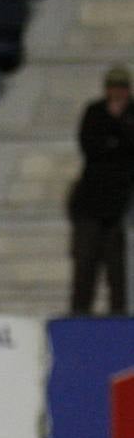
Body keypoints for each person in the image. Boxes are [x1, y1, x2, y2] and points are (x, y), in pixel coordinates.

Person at [67, 64, 134, 315]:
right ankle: (79, 317)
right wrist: (117, 137)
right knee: (84, 267)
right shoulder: (94, 112)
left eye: (122, 88)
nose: (117, 93)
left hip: (120, 206)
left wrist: (116, 131)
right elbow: (90, 148)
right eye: (113, 88)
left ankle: (120, 321)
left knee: (118, 273)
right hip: (90, 204)